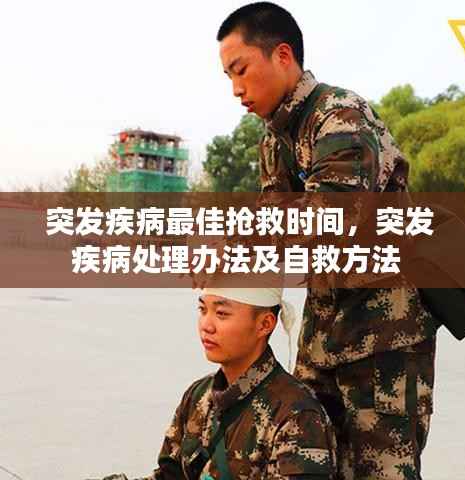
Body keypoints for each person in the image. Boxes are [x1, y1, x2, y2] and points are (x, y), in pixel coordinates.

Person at [217, 3, 438, 479]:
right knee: (309, 464)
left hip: (383, 341)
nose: (235, 89)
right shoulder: (274, 140)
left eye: (241, 69)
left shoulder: (340, 118)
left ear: (282, 55)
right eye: (227, 76)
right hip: (323, 337)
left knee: (382, 471)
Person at [86, 288, 337, 480]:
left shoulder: (297, 416)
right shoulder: (199, 396)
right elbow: (171, 475)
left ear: (264, 324)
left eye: (222, 314)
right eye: (202, 310)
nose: (206, 325)